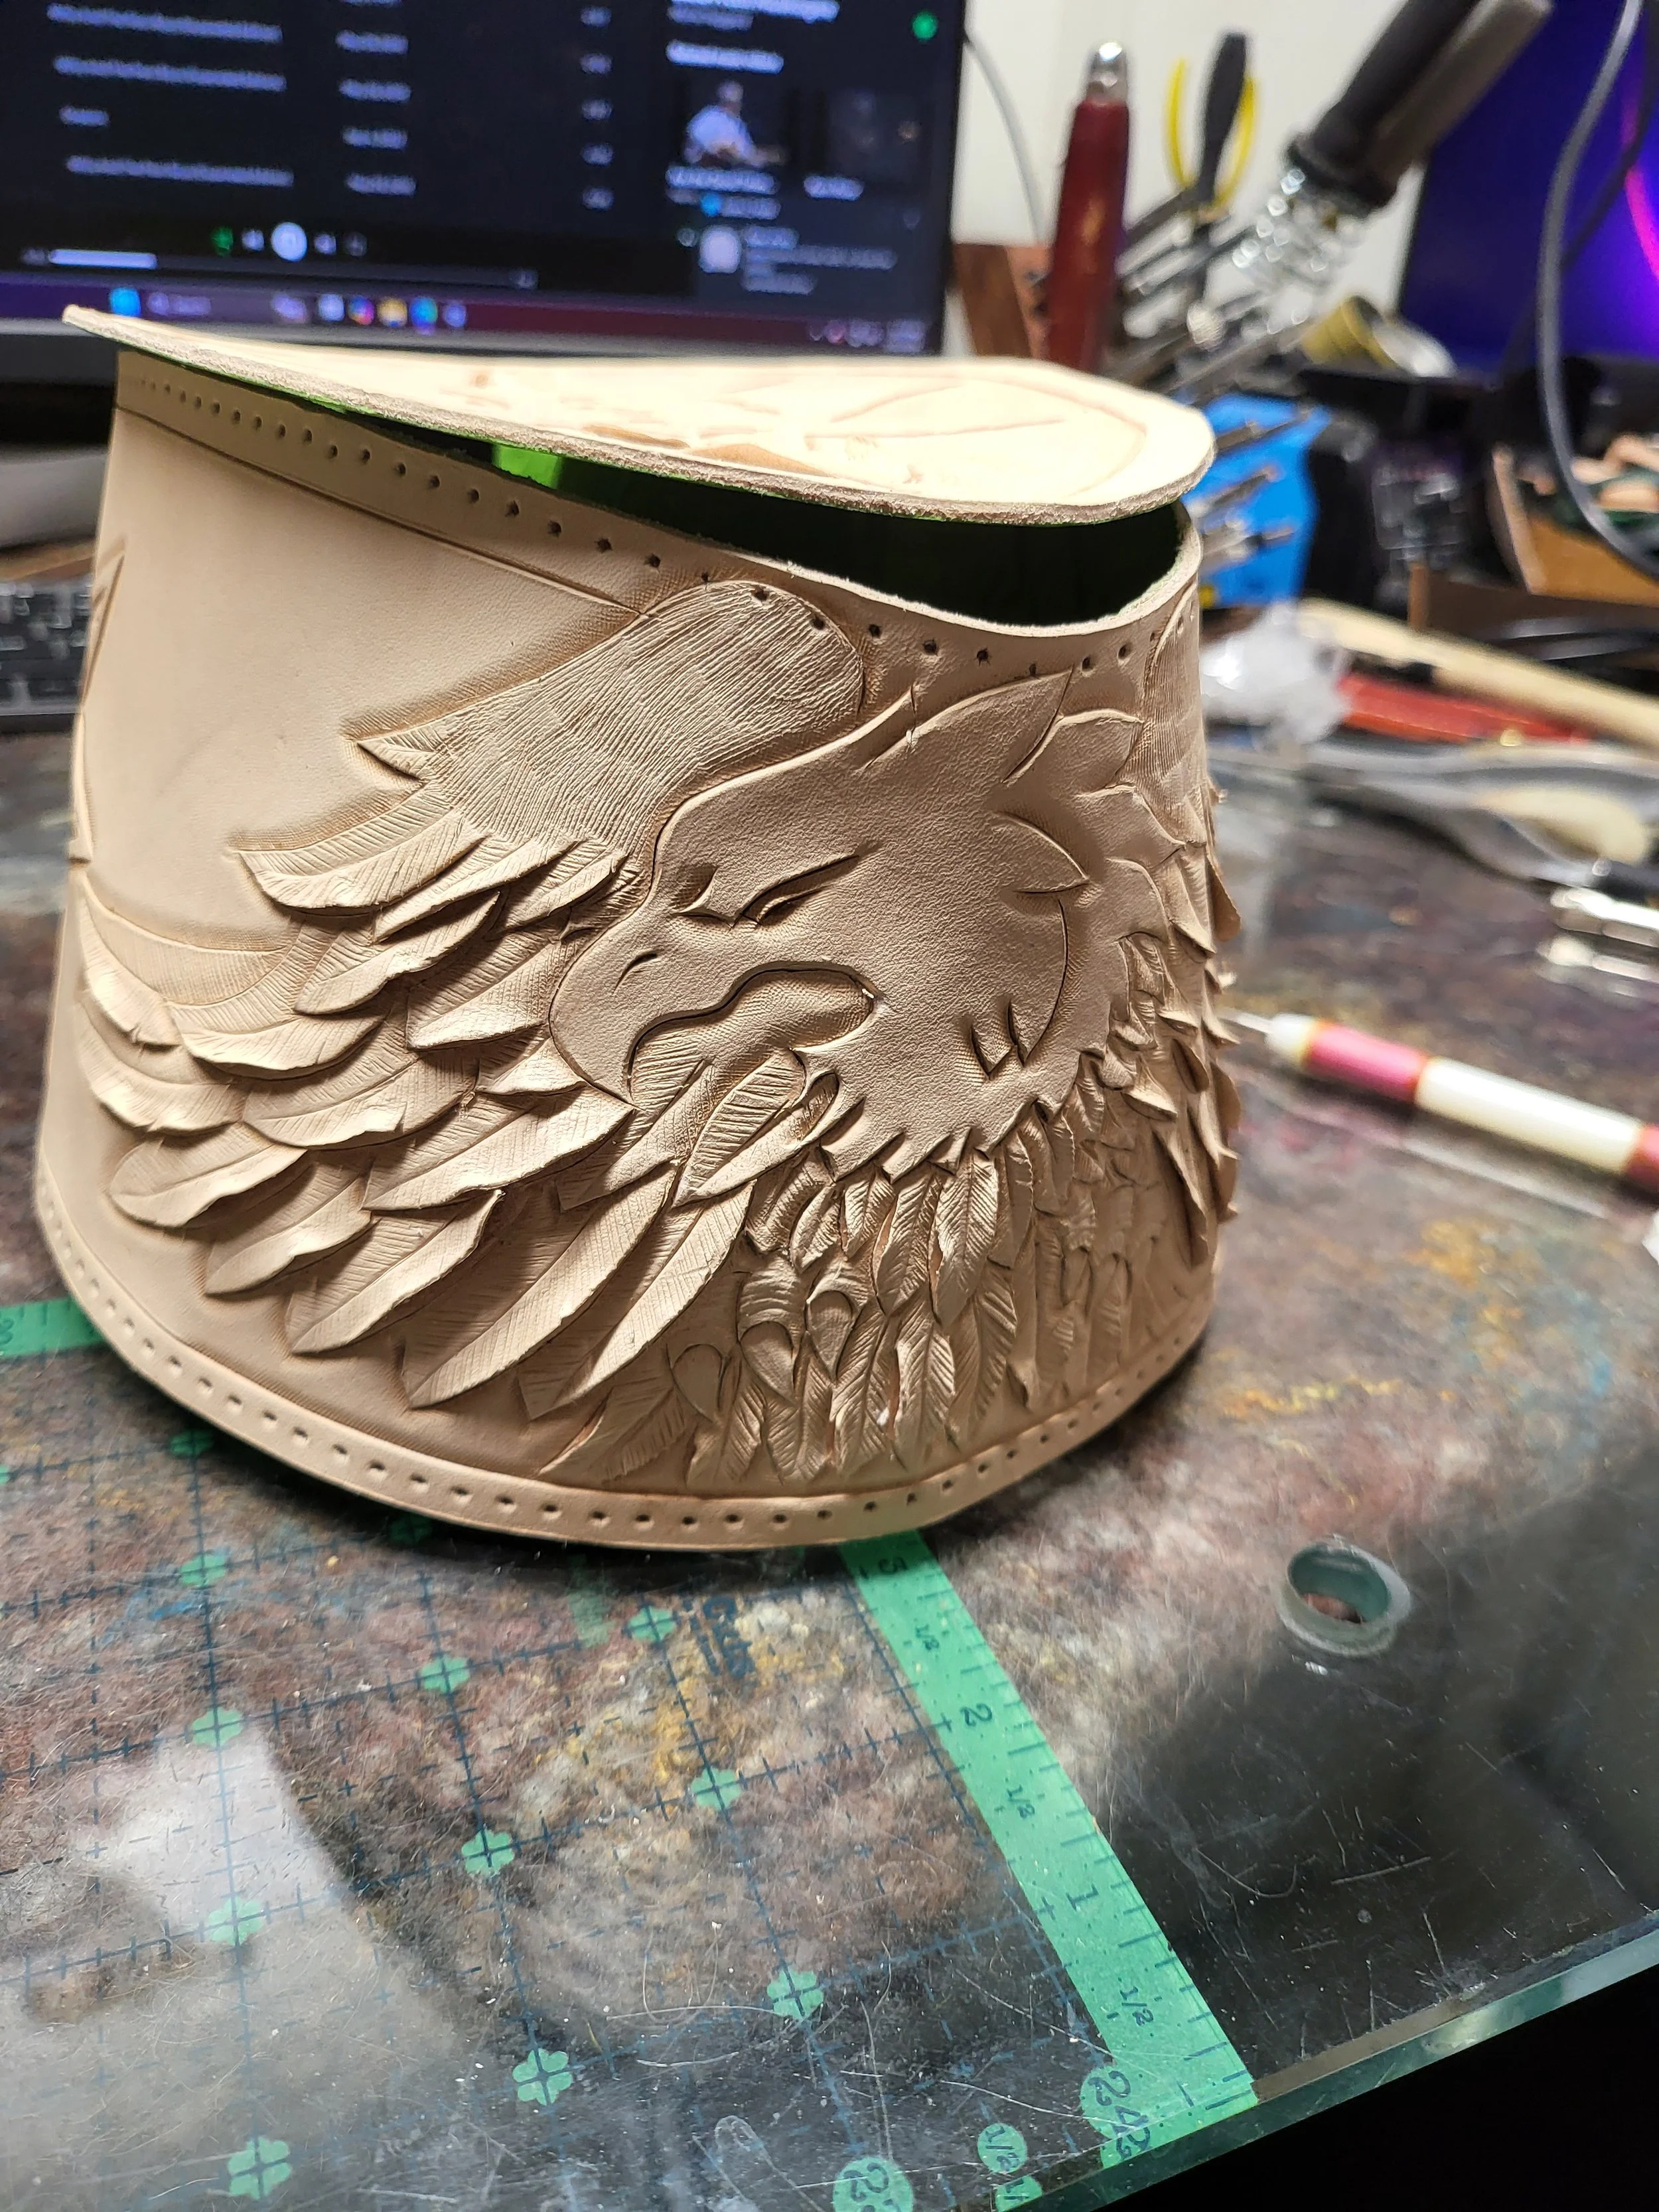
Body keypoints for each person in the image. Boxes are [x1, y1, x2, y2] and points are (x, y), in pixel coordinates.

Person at [682, 80, 780, 167]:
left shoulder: (737, 123)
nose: (736, 105)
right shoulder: (710, 115)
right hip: (704, 170)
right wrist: (725, 149)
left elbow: (746, 152)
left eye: (737, 102)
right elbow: (695, 137)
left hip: (735, 171)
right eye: (732, 102)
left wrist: (766, 156)